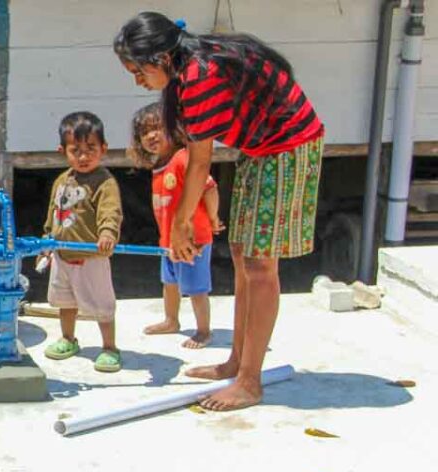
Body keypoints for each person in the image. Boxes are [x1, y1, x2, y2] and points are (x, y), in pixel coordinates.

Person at [115, 13, 324, 410]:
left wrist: (180, 226)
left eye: (137, 70)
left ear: (160, 58)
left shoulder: (199, 76)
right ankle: (236, 364)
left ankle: (250, 382)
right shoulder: (187, 71)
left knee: (261, 267)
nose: (137, 81)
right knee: (245, 256)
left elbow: (198, 163)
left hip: (288, 148)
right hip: (261, 148)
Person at [127, 102, 223, 348]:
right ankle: (171, 320)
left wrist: (213, 219)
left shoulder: (183, 158)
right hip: (168, 242)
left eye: (158, 128)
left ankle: (203, 331)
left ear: (175, 129)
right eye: (145, 132)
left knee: (196, 288)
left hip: (194, 240)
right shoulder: (158, 167)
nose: (151, 135)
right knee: (169, 283)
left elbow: (209, 189)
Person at [39, 111, 123, 373]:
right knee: (65, 302)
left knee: (102, 306)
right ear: (62, 150)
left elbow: (111, 211)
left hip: (92, 258)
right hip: (62, 255)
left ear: (104, 149)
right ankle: (68, 338)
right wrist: (46, 242)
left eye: (91, 149)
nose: (84, 156)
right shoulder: (61, 181)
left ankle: (109, 347)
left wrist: (107, 233)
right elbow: (53, 214)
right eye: (76, 150)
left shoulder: (105, 182)